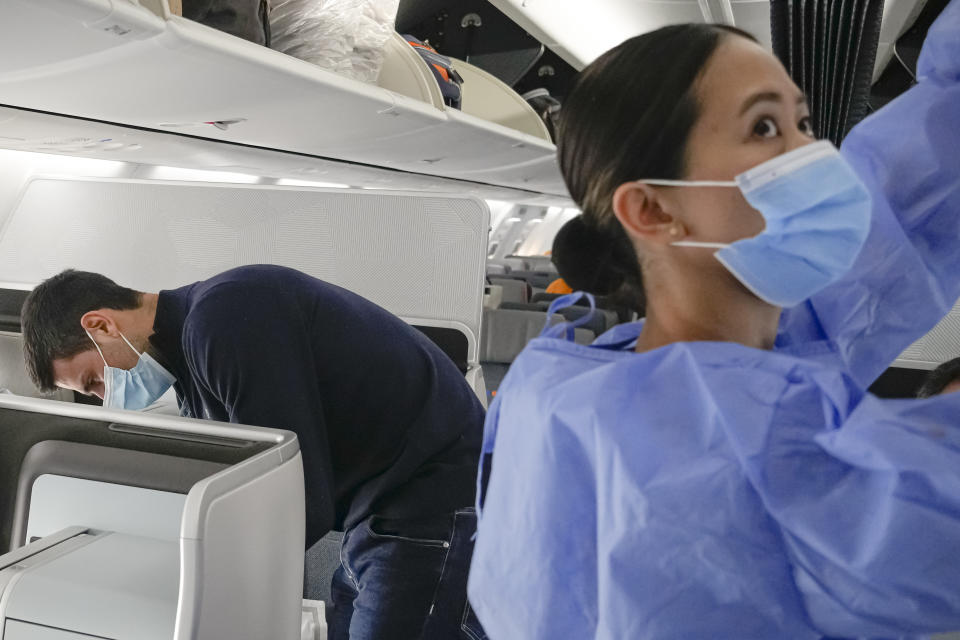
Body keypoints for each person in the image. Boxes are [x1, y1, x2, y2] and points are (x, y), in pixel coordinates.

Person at [469, 3, 960, 638]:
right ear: (651, 209)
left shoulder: (580, 383)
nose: (815, 155)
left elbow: (897, 222)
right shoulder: (744, 438)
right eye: (763, 127)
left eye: (803, 122)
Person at [21, 264, 486, 640]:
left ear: (100, 324)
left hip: (428, 498)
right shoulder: (191, 365)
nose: (104, 395)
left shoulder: (227, 317)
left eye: (93, 380)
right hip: (378, 510)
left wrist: (204, 576)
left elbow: (299, 500)